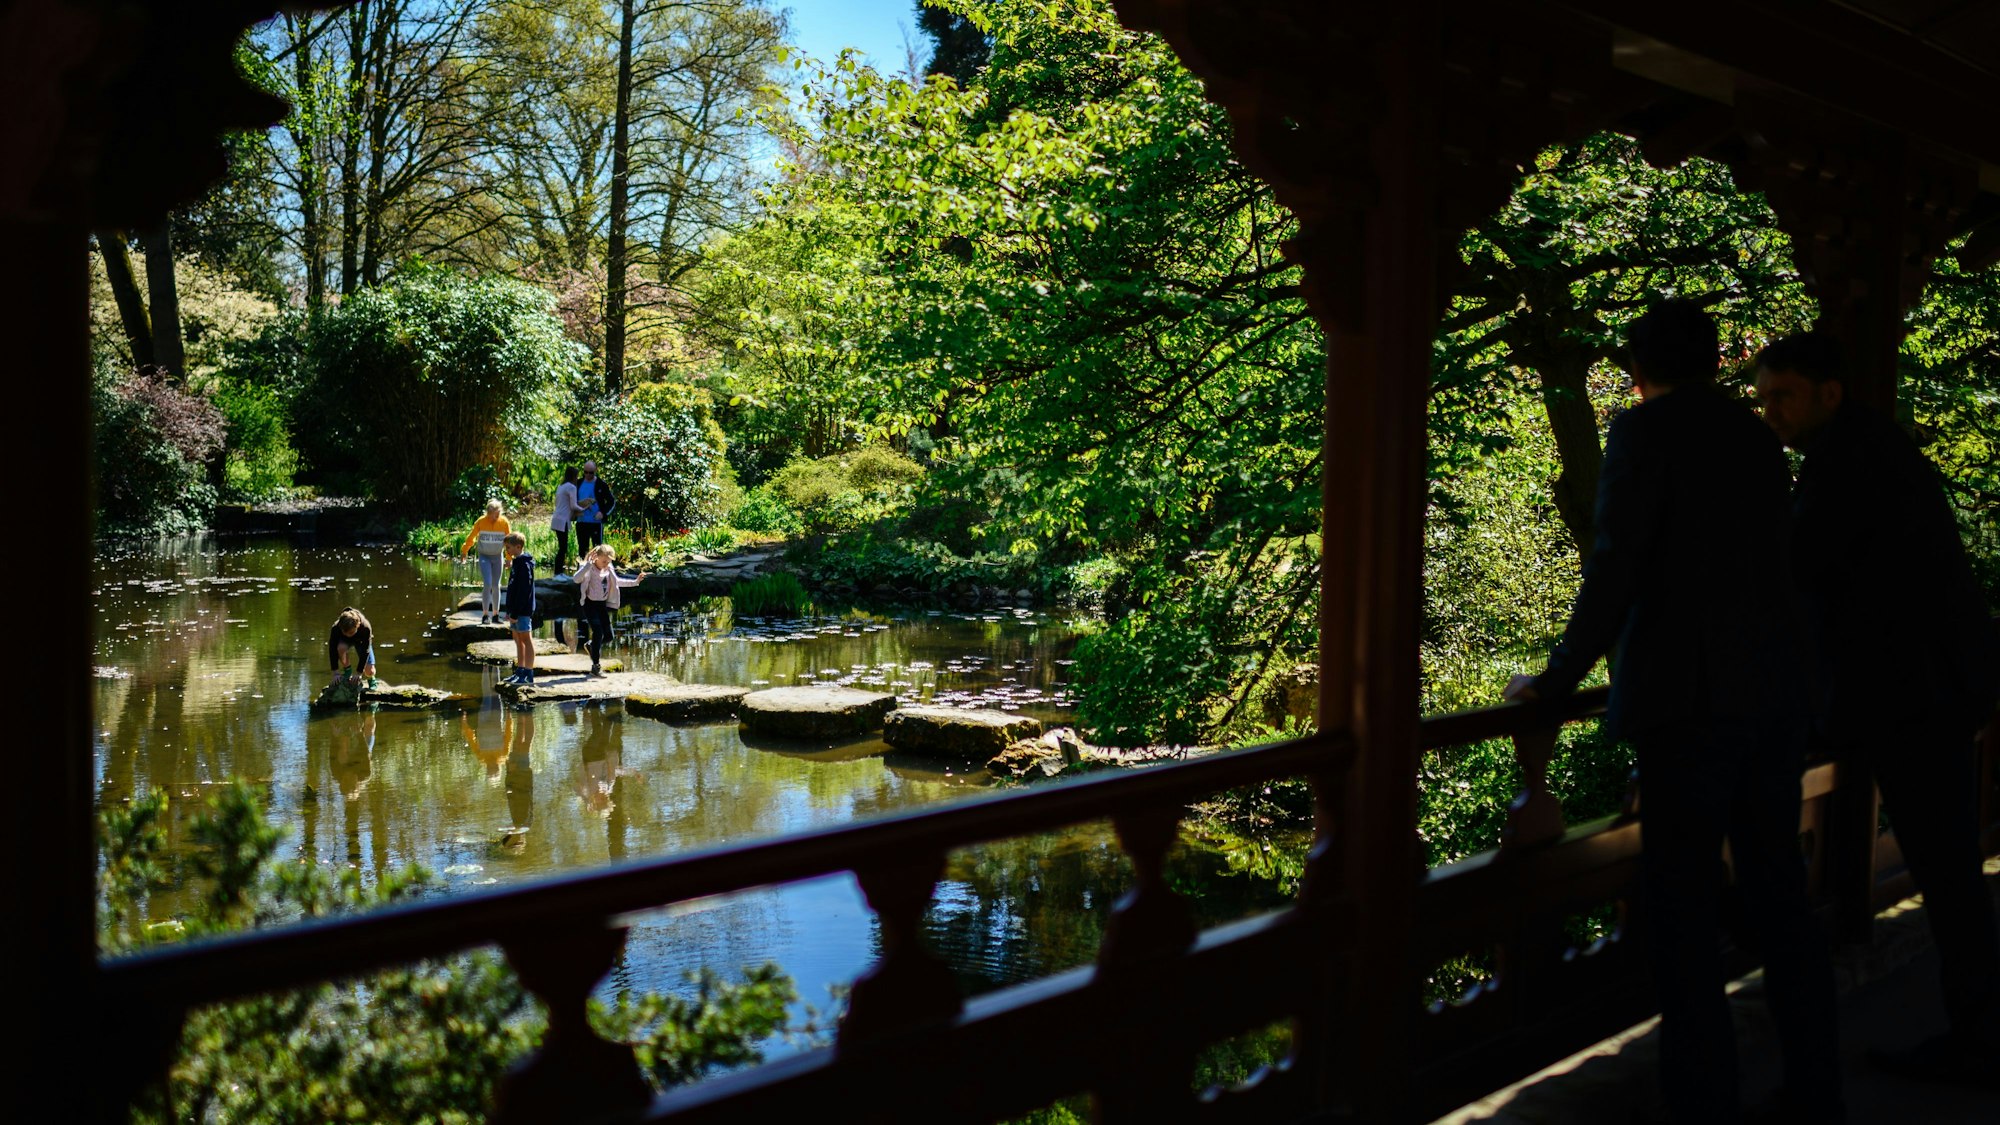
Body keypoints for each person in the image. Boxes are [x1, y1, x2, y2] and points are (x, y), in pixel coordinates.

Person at [1506, 301, 1842, 1122]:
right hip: (1771, 698)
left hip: (1688, 705)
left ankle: (1703, 1099)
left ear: (1635, 371)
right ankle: (1815, 1089)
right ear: (1717, 363)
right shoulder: (1757, 439)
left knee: (1683, 908)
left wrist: (1556, 679)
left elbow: (1616, 564)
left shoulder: (1642, 435)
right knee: (1778, 892)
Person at [1755, 331, 2000, 1084]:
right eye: (1763, 399)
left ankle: (1979, 1045)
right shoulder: (1869, 450)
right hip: (1933, 691)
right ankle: (1979, 1037)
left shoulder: (1847, 464)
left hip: (1912, 701)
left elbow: (1798, 567)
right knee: (1953, 874)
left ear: (1830, 392)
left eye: (1783, 396)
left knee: (1951, 877)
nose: (1772, 414)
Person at [572, 544, 647, 679]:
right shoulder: (589, 567)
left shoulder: (608, 568)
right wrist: (587, 566)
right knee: (598, 631)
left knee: (608, 636)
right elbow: (576, 579)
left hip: (601, 605)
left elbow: (617, 582)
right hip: (590, 605)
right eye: (604, 561)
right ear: (596, 558)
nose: (606, 564)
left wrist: (635, 582)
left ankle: (591, 646)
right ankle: (596, 667)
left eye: (609, 561)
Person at [460, 499, 512, 624]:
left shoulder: (504, 522)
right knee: (488, 584)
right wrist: (464, 551)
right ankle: (485, 615)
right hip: (484, 556)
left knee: (496, 585)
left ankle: (495, 614)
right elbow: (471, 538)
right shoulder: (481, 522)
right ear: (488, 513)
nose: (496, 517)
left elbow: (509, 542)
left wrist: (509, 558)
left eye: (498, 514)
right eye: (493, 515)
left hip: (497, 556)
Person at [501, 531, 538, 685]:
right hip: (515, 610)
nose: (506, 551)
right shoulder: (516, 563)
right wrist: (509, 610)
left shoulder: (524, 565)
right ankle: (520, 670)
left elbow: (524, 591)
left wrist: (515, 612)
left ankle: (528, 673)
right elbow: (512, 589)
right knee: (517, 639)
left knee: (525, 639)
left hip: (522, 610)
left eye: (508, 548)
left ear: (518, 546)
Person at [327, 607, 376, 689]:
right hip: (344, 642)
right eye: (345, 633)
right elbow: (332, 648)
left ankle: (371, 678)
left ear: (358, 625)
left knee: (369, 671)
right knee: (340, 648)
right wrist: (335, 672)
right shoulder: (336, 627)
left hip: (361, 642)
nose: (348, 635)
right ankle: (347, 670)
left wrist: (359, 673)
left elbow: (365, 650)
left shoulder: (365, 627)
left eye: (351, 632)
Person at [573, 461, 615, 557]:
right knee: (582, 550)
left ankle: (598, 571)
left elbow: (611, 501)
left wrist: (603, 513)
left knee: (598, 550)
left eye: (590, 472)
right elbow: (572, 501)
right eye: (585, 472)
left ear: (595, 471)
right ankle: (583, 570)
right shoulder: (578, 483)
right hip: (581, 521)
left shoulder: (601, 484)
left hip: (595, 522)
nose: (588, 475)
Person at [550, 466, 581, 574]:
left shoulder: (561, 486)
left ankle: (559, 572)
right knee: (563, 548)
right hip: (562, 520)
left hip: (557, 518)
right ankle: (558, 573)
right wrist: (584, 509)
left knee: (562, 547)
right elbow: (573, 506)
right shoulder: (571, 487)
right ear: (574, 476)